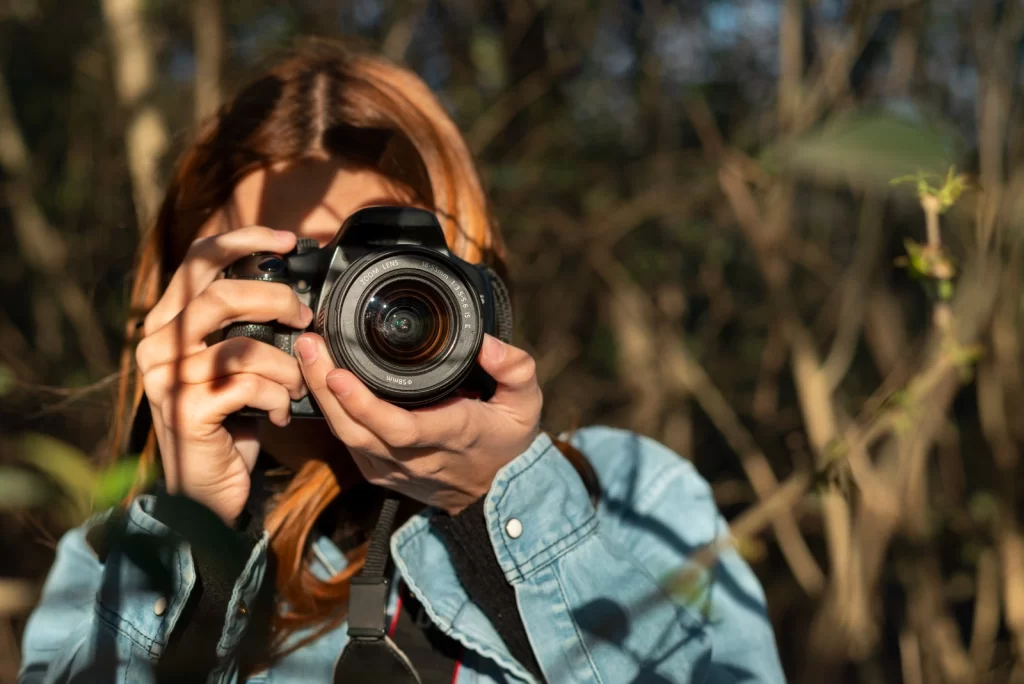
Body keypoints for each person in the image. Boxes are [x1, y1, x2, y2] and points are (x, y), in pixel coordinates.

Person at [19, 40, 785, 684]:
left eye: (380, 269)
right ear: (189, 300)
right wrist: (192, 537)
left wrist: (496, 506)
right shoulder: (107, 562)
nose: (351, 313)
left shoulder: (631, 495)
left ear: (469, 285)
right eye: (297, 274)